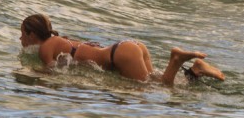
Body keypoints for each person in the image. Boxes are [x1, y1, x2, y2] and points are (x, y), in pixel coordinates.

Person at [20, 14, 225, 86]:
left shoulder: (45, 48)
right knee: (156, 80)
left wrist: (32, 72)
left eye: (22, 34)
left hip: (120, 54)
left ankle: (176, 59)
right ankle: (196, 70)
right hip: (128, 47)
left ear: (31, 34)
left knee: (155, 88)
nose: (20, 38)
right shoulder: (61, 40)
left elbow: (52, 73)